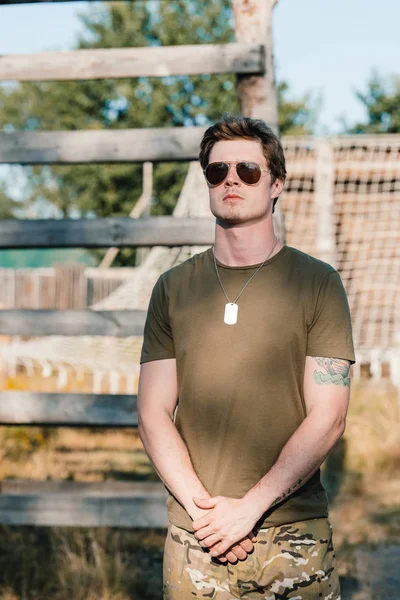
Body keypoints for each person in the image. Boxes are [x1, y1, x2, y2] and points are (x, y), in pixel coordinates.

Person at [138, 115, 355, 599]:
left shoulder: (316, 283)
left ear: (276, 183)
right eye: (217, 172)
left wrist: (247, 511)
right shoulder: (173, 288)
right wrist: (208, 517)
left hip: (291, 535)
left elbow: (329, 417)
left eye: (248, 170)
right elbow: (152, 413)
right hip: (196, 537)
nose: (231, 179)